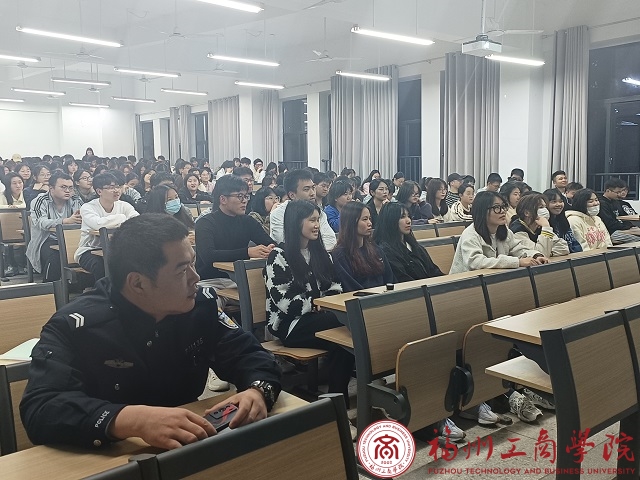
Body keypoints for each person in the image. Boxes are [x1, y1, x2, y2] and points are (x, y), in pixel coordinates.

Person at [21, 214, 281, 450]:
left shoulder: (199, 307)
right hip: (113, 455)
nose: (196, 278)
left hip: (188, 449)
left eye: (193, 264)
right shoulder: (76, 326)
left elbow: (249, 354)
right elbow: (41, 409)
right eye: (182, 270)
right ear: (138, 283)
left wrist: (257, 391)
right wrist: (130, 419)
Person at [263, 200, 353, 405]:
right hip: (290, 325)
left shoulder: (320, 253)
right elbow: (285, 301)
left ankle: (336, 401)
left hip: (321, 318)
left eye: (318, 220)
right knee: (344, 327)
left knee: (344, 342)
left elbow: (335, 286)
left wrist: (324, 303)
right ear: (296, 222)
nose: (317, 225)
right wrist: (315, 304)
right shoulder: (278, 256)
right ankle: (338, 401)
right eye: (312, 220)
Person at [195, 175, 275, 304]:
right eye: (239, 196)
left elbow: (269, 242)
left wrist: (271, 249)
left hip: (240, 280)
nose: (244, 201)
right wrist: (247, 252)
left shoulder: (248, 221)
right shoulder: (206, 223)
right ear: (223, 199)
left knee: (269, 300)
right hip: (211, 282)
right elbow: (208, 256)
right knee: (211, 304)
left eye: (246, 196)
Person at [450, 191, 548, 274]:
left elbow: (518, 250)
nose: (502, 211)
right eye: (496, 207)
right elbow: (475, 262)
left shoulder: (504, 231)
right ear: (482, 211)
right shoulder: (471, 234)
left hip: (491, 280)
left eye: (503, 206)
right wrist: (517, 262)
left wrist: (536, 256)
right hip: (464, 284)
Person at [75, 173, 140, 281]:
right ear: (99, 191)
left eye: (118, 187)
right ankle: (104, 291)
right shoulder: (88, 208)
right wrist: (122, 218)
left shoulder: (124, 205)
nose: (116, 190)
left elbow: (137, 221)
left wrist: (119, 220)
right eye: (111, 187)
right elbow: (98, 224)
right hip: (89, 250)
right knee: (101, 265)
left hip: (116, 250)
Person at [26, 171, 84, 282]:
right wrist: (65, 221)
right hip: (45, 240)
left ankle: (74, 286)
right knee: (56, 256)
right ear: (51, 188)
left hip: (70, 240)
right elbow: (42, 223)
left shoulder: (75, 199)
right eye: (63, 187)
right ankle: (50, 287)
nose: (68, 191)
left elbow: (84, 217)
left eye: (70, 188)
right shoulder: (40, 201)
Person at [373, 202, 444, 282]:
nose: (408, 221)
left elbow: (433, 270)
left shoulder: (413, 245)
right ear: (391, 220)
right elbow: (404, 280)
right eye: (402, 217)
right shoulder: (385, 251)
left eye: (409, 216)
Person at [332, 202, 394, 291]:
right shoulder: (340, 254)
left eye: (369, 219)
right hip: (360, 298)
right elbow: (350, 285)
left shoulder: (375, 249)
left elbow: (389, 277)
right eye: (365, 219)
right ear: (351, 222)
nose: (370, 223)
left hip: (384, 295)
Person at [270, 169, 336, 250]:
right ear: (292, 195)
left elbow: (331, 241)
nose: (312, 193)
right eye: (306, 189)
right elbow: (285, 242)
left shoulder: (318, 212)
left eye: (313, 188)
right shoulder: (278, 214)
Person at [509, 193, 569, 257]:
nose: (545, 210)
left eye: (545, 207)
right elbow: (541, 254)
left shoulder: (539, 226)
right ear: (527, 213)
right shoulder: (517, 231)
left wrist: (549, 252)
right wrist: (546, 227)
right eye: (541, 207)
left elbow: (564, 247)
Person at [597, 178, 640, 244]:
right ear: (608, 191)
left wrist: (632, 228)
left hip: (622, 229)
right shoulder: (602, 204)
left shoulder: (616, 202)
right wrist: (629, 229)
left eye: (622, 191)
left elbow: (624, 218)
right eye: (618, 192)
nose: (620, 194)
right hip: (611, 232)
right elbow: (609, 224)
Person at [542, 189, 583, 253]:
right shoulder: (543, 224)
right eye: (554, 202)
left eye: (561, 201)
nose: (558, 204)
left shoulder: (562, 220)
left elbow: (574, 243)